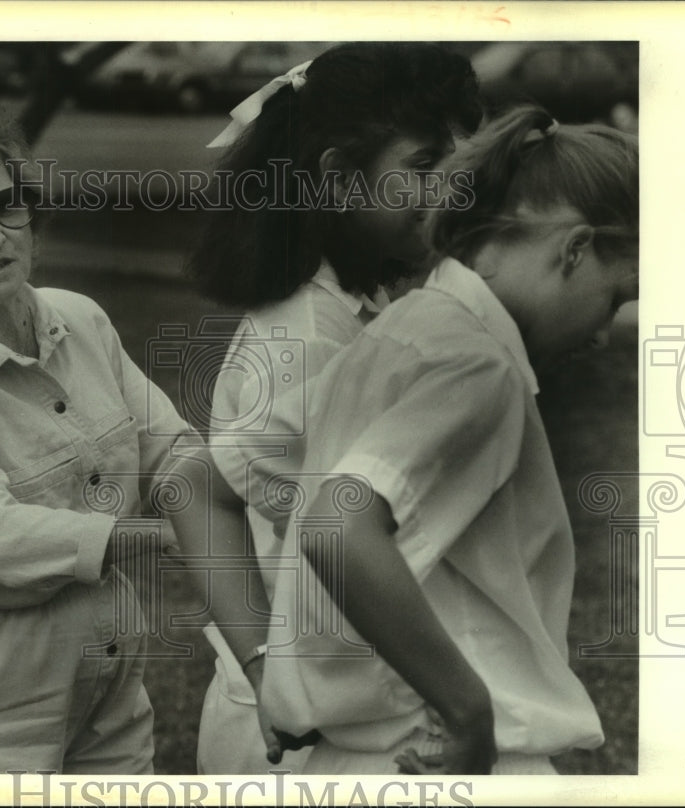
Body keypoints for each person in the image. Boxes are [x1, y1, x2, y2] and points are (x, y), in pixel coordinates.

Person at [0, 99, 275, 773]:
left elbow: (170, 450)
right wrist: (144, 536)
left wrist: (249, 491)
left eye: (6, 205)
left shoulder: (81, 319)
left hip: (108, 675)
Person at [259, 105, 639, 774]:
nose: (606, 330)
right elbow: (336, 526)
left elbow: (214, 481)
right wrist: (466, 710)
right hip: (449, 758)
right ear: (576, 250)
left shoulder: (396, 332)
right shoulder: (479, 362)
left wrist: (270, 671)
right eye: (616, 297)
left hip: (353, 758)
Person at [186, 42, 483, 774]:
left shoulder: (360, 301)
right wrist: (263, 672)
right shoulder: (305, 338)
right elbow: (201, 494)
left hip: (345, 707)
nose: (450, 194)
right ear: (339, 179)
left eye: (458, 170)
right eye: (422, 170)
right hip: (297, 737)